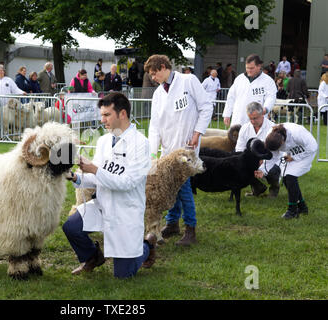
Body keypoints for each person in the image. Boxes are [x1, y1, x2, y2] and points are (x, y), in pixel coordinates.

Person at [62, 92, 155, 278]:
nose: (102, 119)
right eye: (101, 114)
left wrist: (94, 170)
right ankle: (92, 257)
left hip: (125, 211)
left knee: (123, 275)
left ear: (122, 114)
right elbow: (98, 178)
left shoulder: (141, 144)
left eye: (106, 115)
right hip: (103, 204)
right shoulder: (104, 141)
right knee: (71, 226)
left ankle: (148, 246)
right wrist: (75, 177)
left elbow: (128, 182)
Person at [145, 54, 213, 246]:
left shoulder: (188, 81)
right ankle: (173, 223)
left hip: (186, 149)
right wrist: (153, 153)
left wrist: (198, 132)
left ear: (163, 67)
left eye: (153, 73)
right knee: (171, 187)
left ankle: (190, 228)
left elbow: (206, 106)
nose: (153, 78)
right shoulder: (158, 94)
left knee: (183, 189)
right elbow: (154, 125)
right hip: (167, 151)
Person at [264, 123, 317, 219]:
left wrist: (294, 157)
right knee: (286, 179)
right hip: (291, 154)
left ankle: (292, 211)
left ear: (282, 142)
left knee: (290, 177)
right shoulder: (270, 137)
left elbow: (313, 147)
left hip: (307, 152)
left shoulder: (297, 133)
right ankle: (302, 207)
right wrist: (262, 170)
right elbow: (273, 158)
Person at [235, 102, 280, 198]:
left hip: (270, 159)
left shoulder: (272, 128)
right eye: (250, 118)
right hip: (252, 160)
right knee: (241, 164)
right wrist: (249, 162)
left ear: (262, 114)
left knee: (274, 168)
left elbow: (277, 153)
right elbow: (239, 148)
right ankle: (257, 188)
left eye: (255, 118)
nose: (252, 121)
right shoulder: (244, 128)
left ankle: (274, 187)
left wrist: (263, 162)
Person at [223, 54, 277, 127]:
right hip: (238, 118)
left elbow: (271, 97)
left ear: (259, 66)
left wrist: (266, 108)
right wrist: (227, 114)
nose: (249, 70)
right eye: (247, 68)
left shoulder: (268, 81)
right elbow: (231, 97)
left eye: (251, 68)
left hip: (257, 119)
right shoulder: (239, 79)